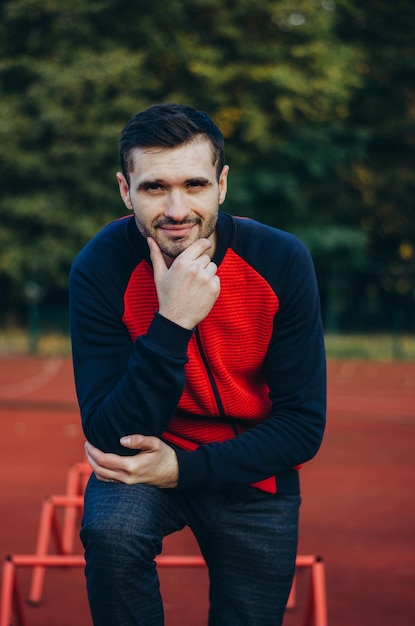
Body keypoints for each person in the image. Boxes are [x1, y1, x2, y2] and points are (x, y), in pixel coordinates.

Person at [69, 103, 326, 626]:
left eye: (194, 184)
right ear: (125, 190)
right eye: (154, 187)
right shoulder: (101, 265)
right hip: (144, 460)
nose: (177, 208)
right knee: (110, 533)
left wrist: (185, 470)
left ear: (222, 184)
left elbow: (302, 425)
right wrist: (172, 322)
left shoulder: (280, 259)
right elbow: (107, 431)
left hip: (253, 471)